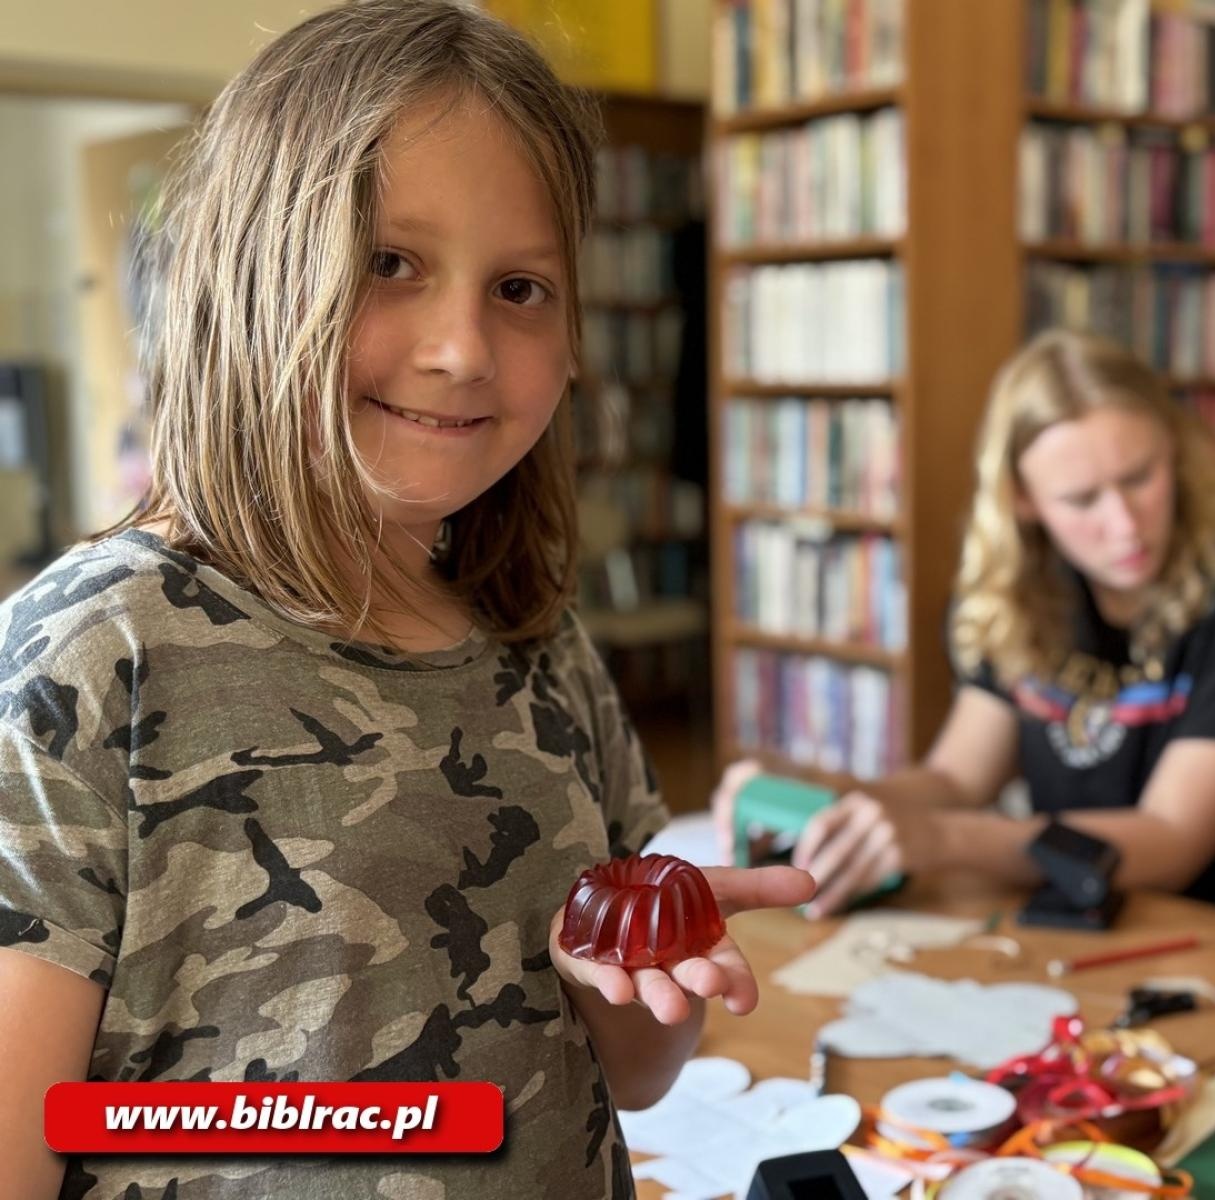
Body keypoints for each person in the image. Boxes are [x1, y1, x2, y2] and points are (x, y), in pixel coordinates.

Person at [0, 4, 812, 1197]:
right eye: (391, 263)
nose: (462, 348)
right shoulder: (88, 656)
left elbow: (634, 1075)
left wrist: (647, 963)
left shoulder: (544, 649)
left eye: (522, 287)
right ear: (250, 274)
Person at [714, 329, 1215, 917]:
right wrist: (826, 800)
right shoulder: (1022, 589)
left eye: (1140, 477)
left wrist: (942, 839)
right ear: (1023, 500)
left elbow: (1172, 841)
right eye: (1082, 500)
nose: (1124, 524)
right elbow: (957, 778)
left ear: (1176, 448)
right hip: (1075, 917)